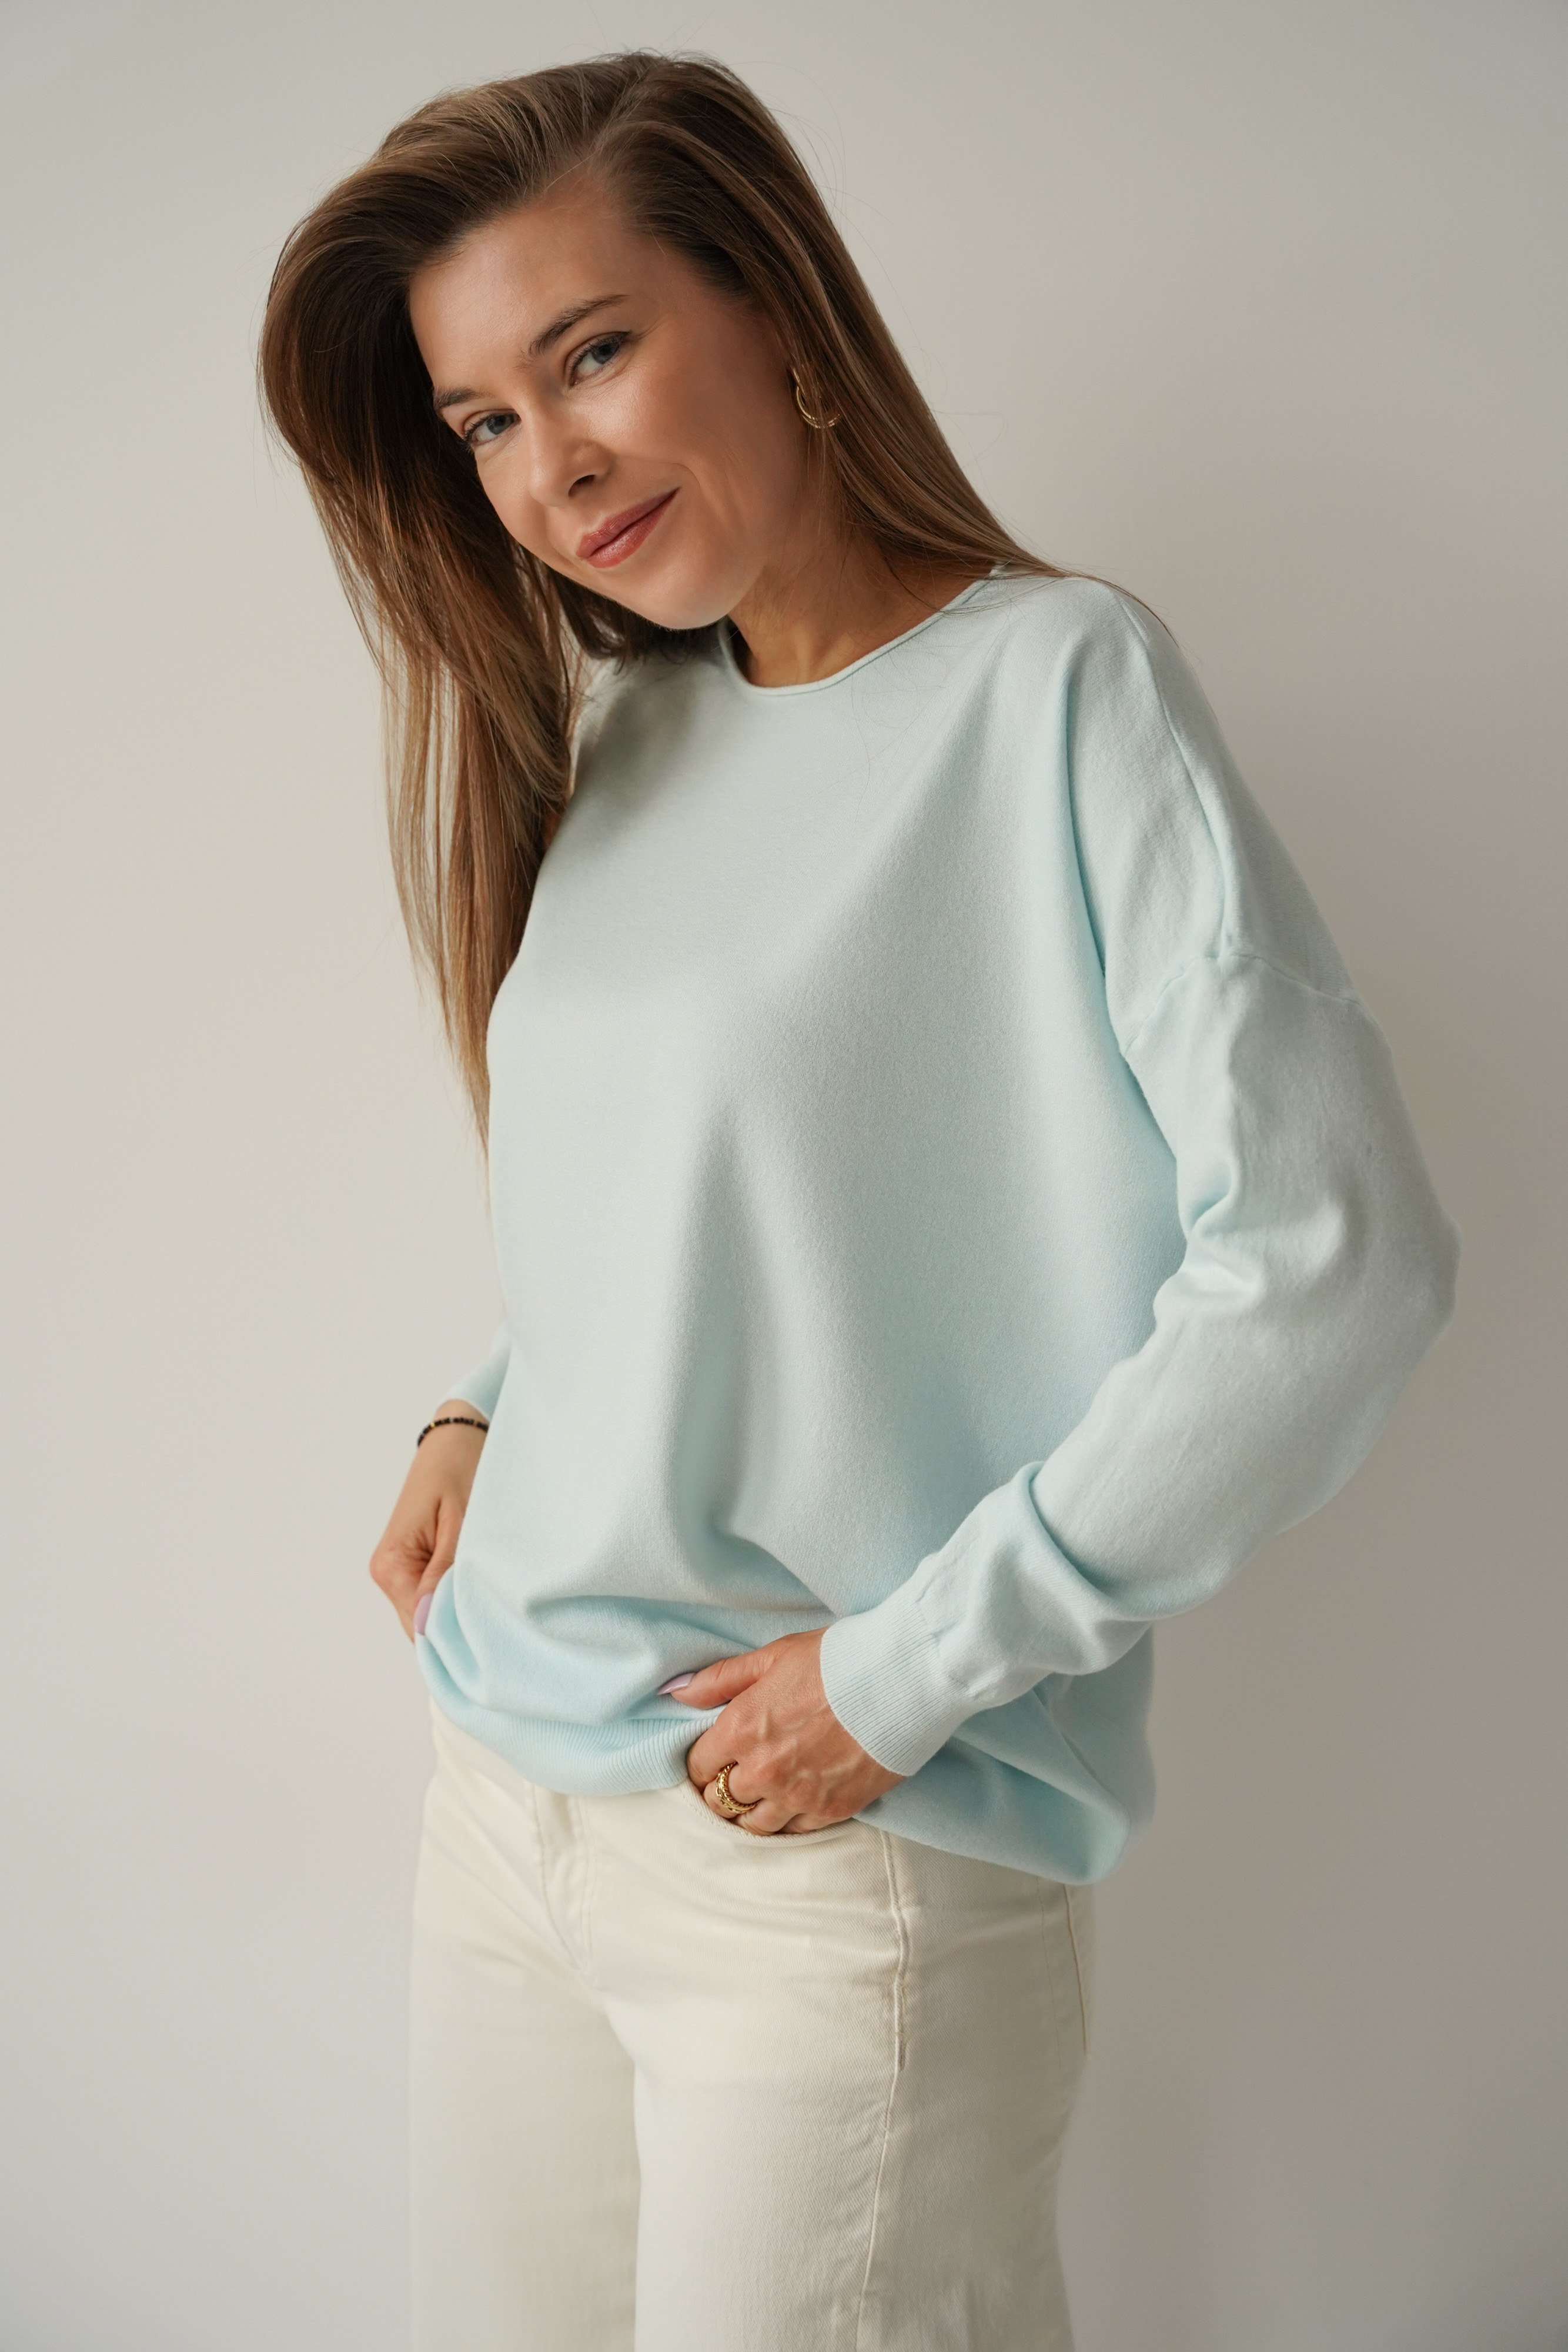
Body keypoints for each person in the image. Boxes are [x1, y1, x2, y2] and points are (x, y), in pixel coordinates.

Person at [259, 51, 1457, 2352]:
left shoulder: (1058, 689)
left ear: (778, 310)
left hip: (818, 1862)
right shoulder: (634, 725)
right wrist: (486, 1399)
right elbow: (712, 1189)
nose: (545, 462)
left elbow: (1337, 1259)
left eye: (591, 353)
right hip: (502, 1796)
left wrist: (913, 1671)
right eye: (483, 417)